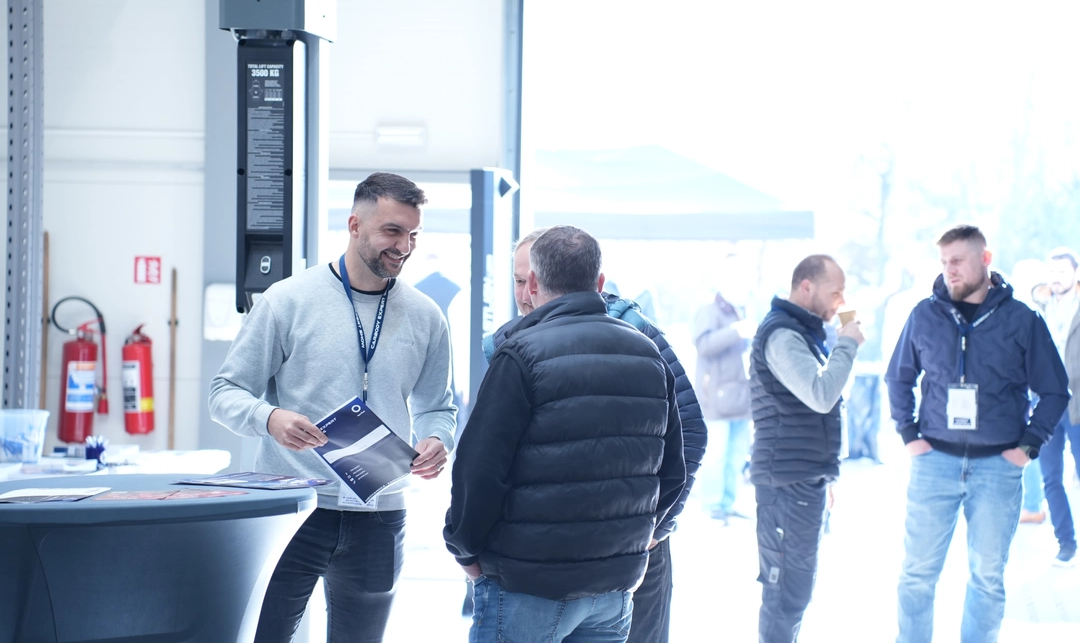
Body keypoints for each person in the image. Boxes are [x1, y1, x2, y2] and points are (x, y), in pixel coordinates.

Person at [209, 172, 456, 643]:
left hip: (380, 514)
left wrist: (436, 439)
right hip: (292, 508)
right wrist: (270, 418)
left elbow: (437, 408)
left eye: (413, 235)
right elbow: (224, 392)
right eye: (392, 231)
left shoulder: (426, 316)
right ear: (354, 225)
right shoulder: (287, 301)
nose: (404, 247)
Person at [444, 225, 686, 643]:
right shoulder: (648, 353)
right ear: (600, 282)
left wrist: (464, 550)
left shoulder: (519, 354)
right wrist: (634, 543)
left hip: (526, 585)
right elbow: (673, 473)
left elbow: (478, 472)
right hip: (613, 589)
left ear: (533, 283)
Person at [887, 225, 1069, 643]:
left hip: (997, 468)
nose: (949, 270)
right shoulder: (924, 315)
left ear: (985, 259)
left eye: (958, 261)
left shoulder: (1023, 319)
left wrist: (1028, 447)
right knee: (916, 573)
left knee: (987, 578)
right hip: (934, 462)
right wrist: (909, 434)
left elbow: (1055, 391)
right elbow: (898, 378)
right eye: (943, 262)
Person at [748, 254, 864, 643]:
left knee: (795, 592)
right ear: (807, 286)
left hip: (801, 478)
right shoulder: (782, 334)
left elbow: (827, 396)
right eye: (835, 292)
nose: (840, 301)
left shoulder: (803, 332)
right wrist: (847, 344)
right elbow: (821, 394)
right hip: (786, 483)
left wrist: (824, 475)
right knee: (786, 594)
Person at [1031, 247, 1080, 565]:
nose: (1057, 278)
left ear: (1076, 273)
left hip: (1078, 403)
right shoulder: (1038, 307)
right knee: (1050, 477)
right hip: (1046, 403)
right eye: (1052, 272)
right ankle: (1066, 543)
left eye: (1063, 271)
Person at [693, 291, 753, 523]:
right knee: (716, 455)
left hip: (741, 397)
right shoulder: (709, 308)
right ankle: (712, 506)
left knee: (736, 456)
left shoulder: (742, 308)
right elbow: (703, 345)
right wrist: (735, 331)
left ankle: (727, 504)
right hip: (716, 400)